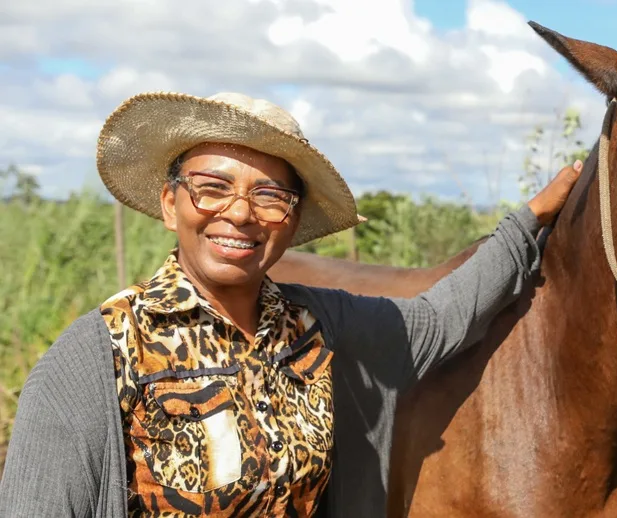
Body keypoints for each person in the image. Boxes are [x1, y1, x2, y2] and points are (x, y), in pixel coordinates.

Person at [0, 91, 583, 517]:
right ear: (170, 202)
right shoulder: (97, 358)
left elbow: (437, 320)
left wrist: (529, 222)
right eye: (212, 186)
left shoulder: (317, 327)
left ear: (293, 219)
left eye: (270, 195)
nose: (240, 212)